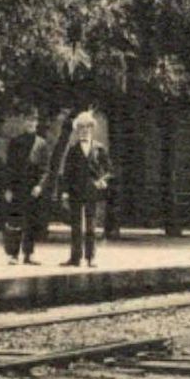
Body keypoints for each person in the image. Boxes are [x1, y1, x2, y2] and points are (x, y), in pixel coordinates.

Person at [59, 110, 112, 268]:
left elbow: (109, 170)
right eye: (81, 127)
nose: (84, 130)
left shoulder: (99, 148)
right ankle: (75, 258)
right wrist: (65, 192)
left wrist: (103, 180)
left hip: (91, 191)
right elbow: (67, 172)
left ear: (91, 129)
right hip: (75, 191)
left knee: (91, 225)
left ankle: (91, 258)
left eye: (87, 127)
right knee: (75, 225)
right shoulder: (73, 148)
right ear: (77, 130)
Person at [1, 112, 48, 265]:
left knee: (31, 221)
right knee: (15, 222)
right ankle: (13, 255)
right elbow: (9, 167)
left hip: (33, 188)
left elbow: (45, 168)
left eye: (33, 121)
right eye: (28, 120)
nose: (30, 123)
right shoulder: (16, 142)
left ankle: (29, 254)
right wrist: (8, 188)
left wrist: (40, 185)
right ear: (24, 122)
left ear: (37, 123)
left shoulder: (41, 143)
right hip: (17, 187)